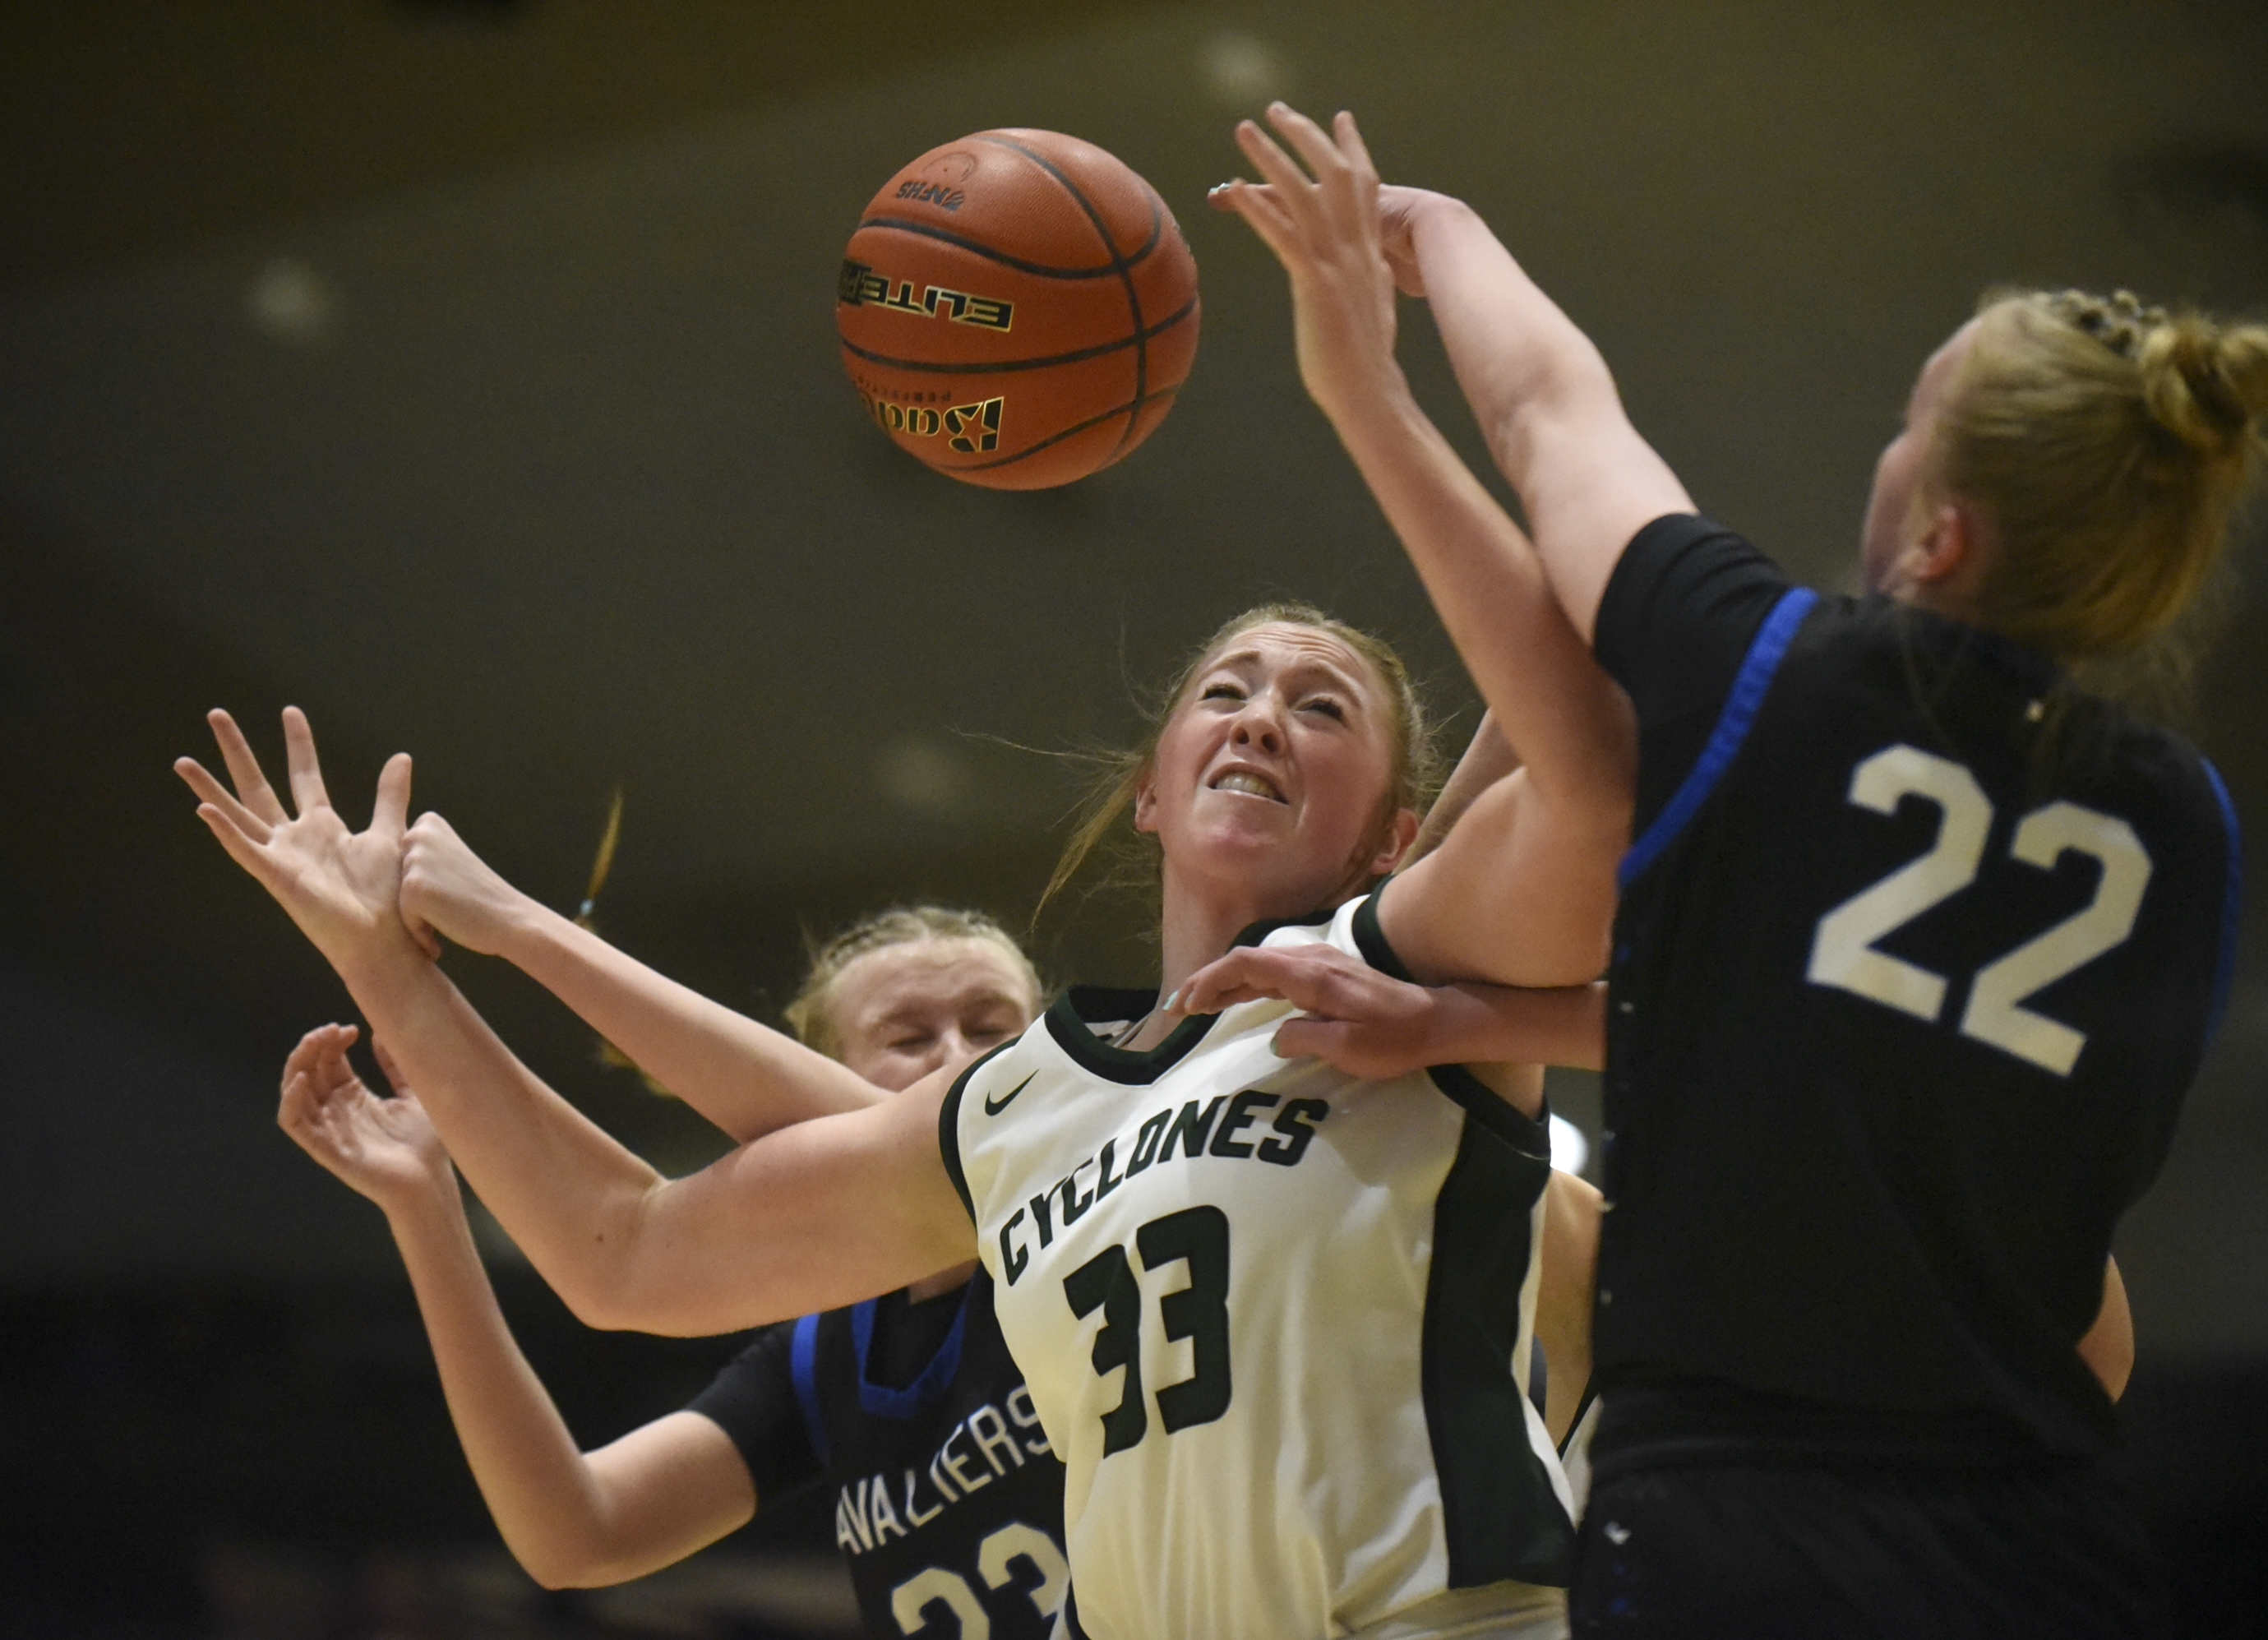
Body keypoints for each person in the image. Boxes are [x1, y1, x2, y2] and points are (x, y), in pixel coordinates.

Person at [175, 261, 1634, 1633]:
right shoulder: (1029, 1109)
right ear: (1147, 787)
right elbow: (625, 1250)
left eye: (1319, 709)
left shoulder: (1398, 973)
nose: (1260, 714)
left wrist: (1411, 407)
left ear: (1392, 834)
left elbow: (1581, 765)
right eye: (1227, 690)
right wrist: (386, 965)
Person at [1212, 103, 2264, 1638]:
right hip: (2042, 1538)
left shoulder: (1781, 673)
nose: (1888, 447)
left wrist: (1382, 342)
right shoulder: (2189, 831)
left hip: (1744, 1521)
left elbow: (1551, 419)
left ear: (1942, 532)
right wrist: (1457, 1030)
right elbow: (1816, 1029)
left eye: (1911, 422)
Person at [276, 903, 1072, 1637]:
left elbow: (966, 1159)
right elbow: (576, 1535)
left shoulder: (1096, 1233)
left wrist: (493, 922)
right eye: (907, 1039)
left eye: (991, 1028)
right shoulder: (823, 1354)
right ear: (806, 1071)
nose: (956, 1062)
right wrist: (426, 1210)